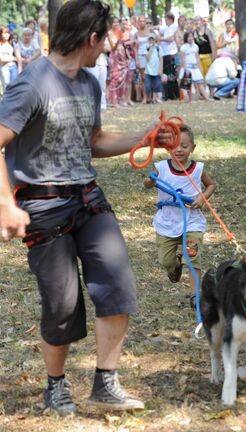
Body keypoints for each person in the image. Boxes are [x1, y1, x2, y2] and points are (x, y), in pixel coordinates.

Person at [0, 0, 176, 415]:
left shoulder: (89, 82)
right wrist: (6, 203)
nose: (109, 47)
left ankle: (105, 385)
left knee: (117, 286)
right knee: (61, 304)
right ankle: (56, 387)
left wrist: (145, 138)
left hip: (88, 199)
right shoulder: (32, 83)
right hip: (43, 206)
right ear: (91, 37)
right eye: (106, 39)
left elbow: (92, 141)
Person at [143, 125, 215, 297]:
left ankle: (195, 295)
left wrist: (202, 198)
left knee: (192, 257)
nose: (179, 150)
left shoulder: (198, 169)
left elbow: (211, 185)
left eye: (184, 146)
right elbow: (148, 182)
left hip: (192, 221)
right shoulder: (161, 167)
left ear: (193, 148)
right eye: (175, 145)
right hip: (167, 222)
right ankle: (174, 268)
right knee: (165, 261)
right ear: (167, 147)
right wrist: (149, 183)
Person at [179, 32, 211, 102]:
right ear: (186, 38)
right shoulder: (184, 47)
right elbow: (183, 59)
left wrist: (200, 68)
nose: (190, 38)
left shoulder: (195, 46)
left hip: (195, 67)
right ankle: (190, 99)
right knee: (189, 84)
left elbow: (197, 58)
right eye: (189, 37)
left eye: (192, 36)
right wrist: (185, 69)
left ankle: (206, 98)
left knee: (200, 83)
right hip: (188, 67)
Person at [160, 12, 179, 101]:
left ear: (170, 19)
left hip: (171, 53)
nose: (165, 21)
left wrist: (161, 39)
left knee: (171, 75)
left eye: (166, 19)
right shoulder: (167, 28)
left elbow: (171, 38)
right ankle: (168, 94)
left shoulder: (174, 28)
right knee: (166, 75)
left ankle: (173, 94)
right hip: (165, 54)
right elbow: (158, 28)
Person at [0, 26, 21, 91]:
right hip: (4, 67)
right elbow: (1, 59)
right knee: (6, 86)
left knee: (14, 86)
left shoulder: (13, 44)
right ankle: (5, 101)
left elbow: (18, 58)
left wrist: (19, 69)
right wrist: (13, 58)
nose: (6, 35)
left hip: (14, 67)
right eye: (4, 33)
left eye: (8, 33)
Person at [144, 33, 163, 103]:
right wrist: (150, 49)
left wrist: (161, 69)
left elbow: (161, 58)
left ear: (155, 40)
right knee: (148, 86)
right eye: (150, 39)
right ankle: (148, 98)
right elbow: (147, 58)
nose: (151, 40)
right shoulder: (146, 47)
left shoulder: (158, 48)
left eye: (152, 39)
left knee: (156, 85)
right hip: (148, 71)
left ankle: (154, 99)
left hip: (156, 70)